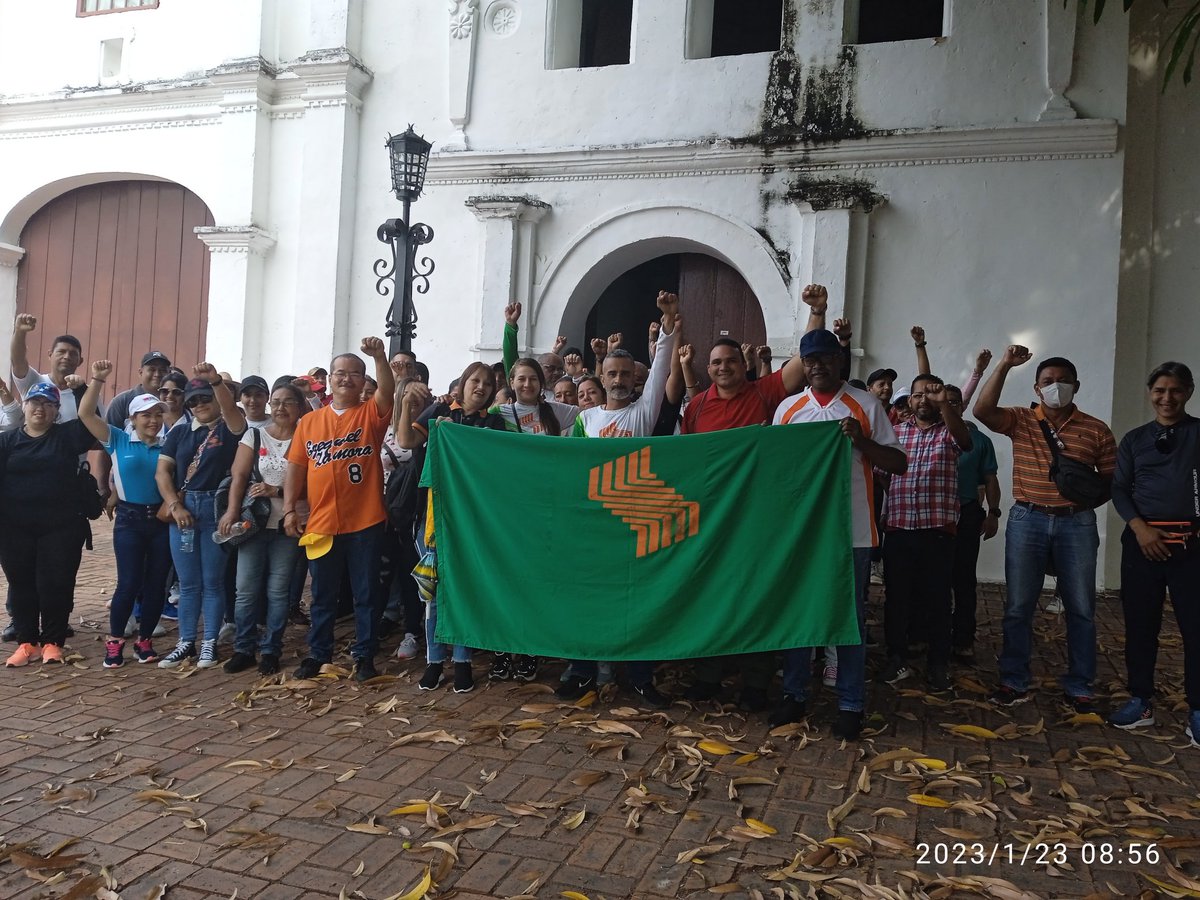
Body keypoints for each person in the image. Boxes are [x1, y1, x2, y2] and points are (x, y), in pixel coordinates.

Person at [677, 287, 838, 709]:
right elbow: (688, 463)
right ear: (708, 369)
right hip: (712, 519)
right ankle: (708, 677)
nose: (723, 367)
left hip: (757, 519)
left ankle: (755, 683)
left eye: (730, 361)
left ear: (743, 365)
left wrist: (817, 312)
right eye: (716, 362)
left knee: (756, 597)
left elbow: (802, 362)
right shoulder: (696, 408)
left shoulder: (765, 393)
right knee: (711, 596)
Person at [771, 329, 907, 739]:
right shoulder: (789, 409)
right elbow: (776, 467)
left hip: (853, 531)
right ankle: (794, 694)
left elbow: (898, 463)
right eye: (810, 360)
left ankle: (850, 703)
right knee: (798, 613)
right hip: (802, 532)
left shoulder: (865, 405)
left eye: (826, 358)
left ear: (839, 360)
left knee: (849, 618)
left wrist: (861, 442)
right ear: (803, 364)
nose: (818, 366)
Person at [973, 346, 1116, 712]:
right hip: (1028, 520)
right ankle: (1013, 680)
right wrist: (1004, 365)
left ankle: (1080, 685)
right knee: (1018, 606)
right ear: (1037, 389)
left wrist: (1081, 505)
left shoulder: (1096, 429)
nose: (1056, 387)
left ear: (1076, 386)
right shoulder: (1021, 420)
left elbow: (1111, 480)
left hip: (1077, 523)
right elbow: (982, 411)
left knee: (1081, 608)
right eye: (1048, 381)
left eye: (1064, 381)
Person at [556, 291, 680, 707]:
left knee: (638, 602)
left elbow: (662, 366)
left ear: (634, 378)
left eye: (626, 373)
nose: (619, 379)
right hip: (593, 526)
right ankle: (581, 671)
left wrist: (667, 324)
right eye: (612, 373)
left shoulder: (643, 412)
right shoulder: (585, 419)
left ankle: (641, 678)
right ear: (602, 377)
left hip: (634, 524)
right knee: (586, 600)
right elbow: (570, 469)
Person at [284, 338, 395, 682]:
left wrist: (379, 357)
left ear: (363, 382)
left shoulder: (370, 414)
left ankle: (365, 655)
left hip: (365, 520)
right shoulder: (309, 422)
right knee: (322, 595)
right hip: (322, 522)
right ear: (329, 379)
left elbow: (387, 391)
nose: (346, 378)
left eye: (354, 374)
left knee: (366, 594)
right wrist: (289, 509)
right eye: (340, 373)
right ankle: (319, 654)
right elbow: (296, 467)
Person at [396, 362, 508, 694]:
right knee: (434, 594)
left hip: (471, 521)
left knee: (464, 591)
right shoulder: (440, 411)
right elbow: (405, 439)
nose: (481, 387)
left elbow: (497, 464)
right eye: (475, 380)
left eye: (488, 384)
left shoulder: (494, 423)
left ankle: (462, 661)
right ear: (462, 383)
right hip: (431, 518)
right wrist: (407, 404)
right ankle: (434, 661)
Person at [1108, 362, 1200, 743]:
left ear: (1188, 392)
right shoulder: (1134, 440)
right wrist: (1141, 530)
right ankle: (1141, 700)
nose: (1167, 398)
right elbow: (1119, 489)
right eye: (1160, 390)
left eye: (1175, 390)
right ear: (1150, 393)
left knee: (1196, 627)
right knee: (1141, 625)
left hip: (1191, 546)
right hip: (1143, 544)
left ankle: (1198, 709)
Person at [486, 358, 580, 683]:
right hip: (507, 511)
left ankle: (529, 650)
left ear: (542, 383)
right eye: (521, 379)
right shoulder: (498, 413)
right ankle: (501, 650)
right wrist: (444, 412)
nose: (527, 385)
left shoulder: (556, 411)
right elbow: (468, 428)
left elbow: (594, 414)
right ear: (511, 382)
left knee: (534, 581)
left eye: (533, 379)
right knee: (504, 580)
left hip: (543, 511)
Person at [877, 375, 972, 692]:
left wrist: (945, 404)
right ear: (910, 401)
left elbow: (965, 442)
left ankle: (938, 664)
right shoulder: (895, 433)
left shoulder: (949, 432)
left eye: (930, 395)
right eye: (917, 395)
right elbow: (882, 473)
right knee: (897, 599)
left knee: (938, 600)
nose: (923, 400)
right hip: (900, 529)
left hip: (937, 531)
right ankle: (896, 659)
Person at [154, 365, 248, 669]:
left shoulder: (230, 428)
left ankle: (209, 642)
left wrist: (217, 381)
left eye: (205, 398)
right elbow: (162, 472)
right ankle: (186, 642)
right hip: (185, 509)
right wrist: (174, 505)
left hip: (215, 508)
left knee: (213, 580)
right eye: (192, 401)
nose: (199, 405)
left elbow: (231, 412)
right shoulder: (180, 432)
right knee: (188, 582)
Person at [79, 361, 171, 667]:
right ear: (133, 418)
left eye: (158, 414)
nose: (153, 420)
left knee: (156, 584)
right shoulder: (118, 438)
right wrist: (97, 380)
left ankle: (144, 641)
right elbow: (85, 414)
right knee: (129, 582)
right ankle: (115, 641)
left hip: (161, 520)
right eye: (146, 415)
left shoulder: (169, 443)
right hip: (130, 520)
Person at [0, 381, 97, 667]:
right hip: (14, 528)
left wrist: (82, 389)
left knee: (55, 584)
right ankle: (27, 642)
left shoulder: (67, 436)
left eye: (48, 404)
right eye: (35, 402)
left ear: (57, 411)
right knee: (21, 584)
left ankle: (53, 642)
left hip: (61, 527)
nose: (40, 408)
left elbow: (89, 419)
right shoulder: (7, 441)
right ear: (25, 406)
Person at [220, 383, 308, 676]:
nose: (281, 408)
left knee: (278, 591)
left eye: (288, 402)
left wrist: (277, 490)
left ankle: (271, 649)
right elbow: (239, 476)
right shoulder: (254, 435)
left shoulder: (307, 436)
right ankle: (244, 648)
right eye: (276, 401)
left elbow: (315, 485)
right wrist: (232, 511)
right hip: (253, 525)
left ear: (300, 406)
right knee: (245, 589)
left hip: (288, 526)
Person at [945, 384, 1001, 665]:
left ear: (962, 405)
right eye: (945, 402)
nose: (950, 406)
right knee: (933, 579)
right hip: (934, 516)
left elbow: (990, 479)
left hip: (967, 514)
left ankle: (963, 639)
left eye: (955, 402)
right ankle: (931, 634)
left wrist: (993, 513)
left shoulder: (979, 441)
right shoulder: (928, 434)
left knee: (964, 578)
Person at [106, 351, 172, 430]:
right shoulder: (122, 401)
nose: (157, 374)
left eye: (162, 370)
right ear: (140, 372)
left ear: (169, 373)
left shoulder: (176, 400)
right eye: (152, 369)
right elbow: (110, 434)